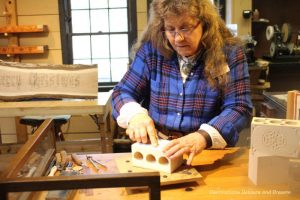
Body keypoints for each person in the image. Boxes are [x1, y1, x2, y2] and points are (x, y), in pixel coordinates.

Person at [111, 0, 252, 165]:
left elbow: (239, 106)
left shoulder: (229, 54)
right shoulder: (152, 51)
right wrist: (135, 115)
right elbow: (122, 92)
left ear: (205, 24)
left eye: (186, 27)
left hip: (204, 152)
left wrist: (202, 137)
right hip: (158, 149)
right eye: (170, 29)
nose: (178, 38)